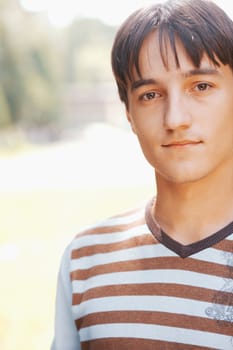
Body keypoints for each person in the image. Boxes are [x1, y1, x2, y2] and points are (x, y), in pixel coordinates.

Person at [51, 0, 233, 348]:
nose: (175, 118)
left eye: (201, 86)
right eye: (150, 95)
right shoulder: (85, 261)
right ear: (129, 114)